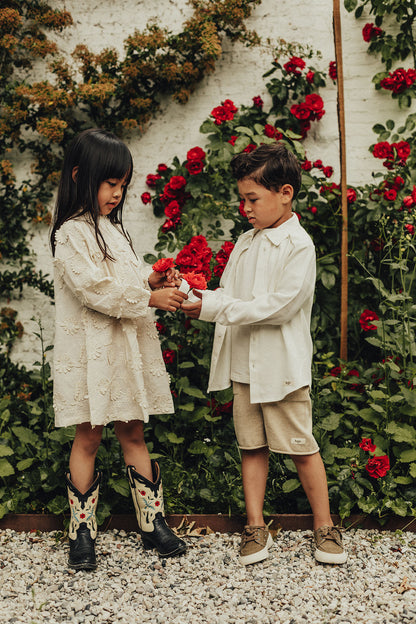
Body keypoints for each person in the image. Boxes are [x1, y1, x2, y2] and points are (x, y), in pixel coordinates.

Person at [181, 142, 347, 566]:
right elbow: (233, 296)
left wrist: (215, 307)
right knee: (251, 445)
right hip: (244, 365)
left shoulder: (299, 245)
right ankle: (255, 526)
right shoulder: (245, 242)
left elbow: (280, 306)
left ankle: (324, 526)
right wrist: (196, 295)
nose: (245, 208)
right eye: (242, 199)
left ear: (286, 192)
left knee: (300, 445)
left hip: (281, 368)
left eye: (252, 199)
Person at [50, 128, 188, 570]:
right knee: (88, 436)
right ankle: (81, 531)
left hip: (123, 349)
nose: (117, 193)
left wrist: (150, 280)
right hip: (92, 352)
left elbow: (124, 278)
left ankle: (153, 523)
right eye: (111, 183)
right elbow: (94, 289)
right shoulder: (70, 234)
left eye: (122, 184)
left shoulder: (113, 230)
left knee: (133, 430)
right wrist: (148, 298)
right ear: (79, 176)